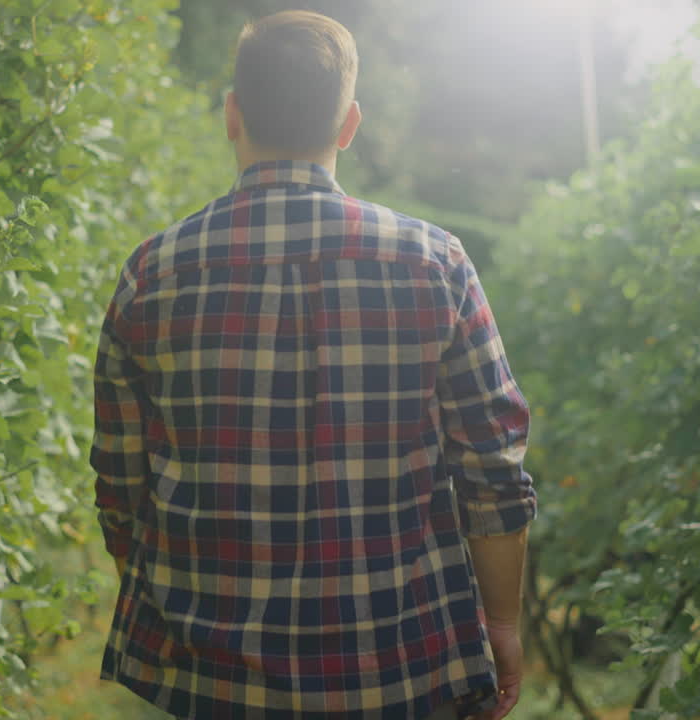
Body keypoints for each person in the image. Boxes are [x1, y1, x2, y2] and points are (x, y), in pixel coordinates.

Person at [91, 10, 536, 719]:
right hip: (400, 665)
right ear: (349, 124)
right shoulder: (435, 263)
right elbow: (493, 468)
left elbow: (122, 483)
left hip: (214, 679)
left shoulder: (154, 274)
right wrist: (504, 626)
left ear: (231, 115)